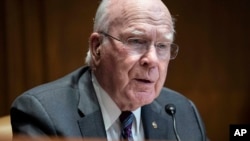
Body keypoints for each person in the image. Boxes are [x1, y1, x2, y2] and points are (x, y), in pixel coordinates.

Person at [10, 0, 208, 140]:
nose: (152, 59)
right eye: (137, 41)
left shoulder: (182, 113)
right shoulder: (45, 114)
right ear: (97, 48)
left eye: (162, 45)